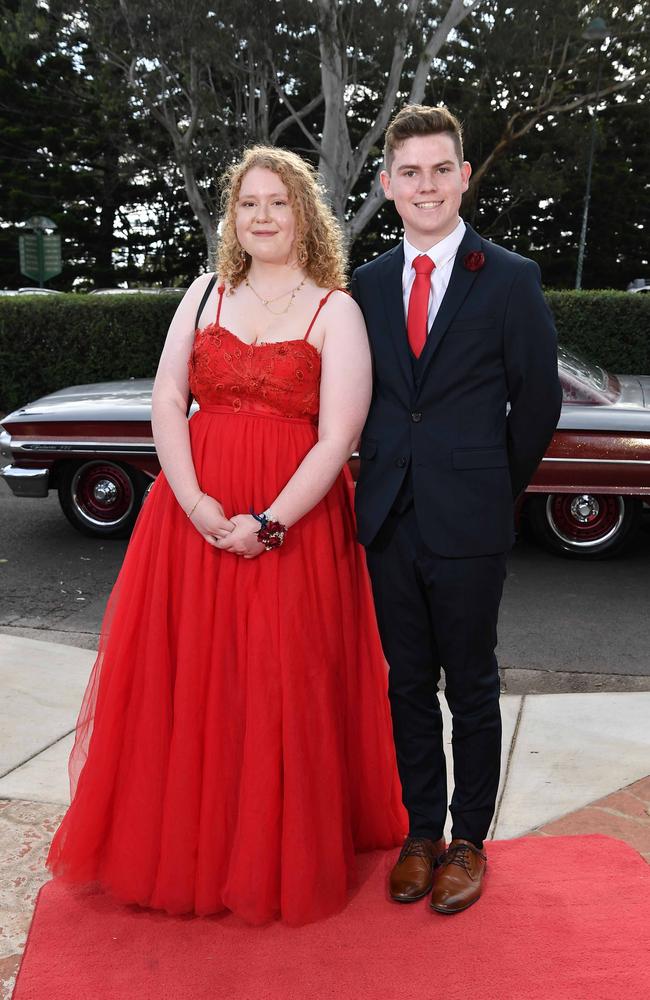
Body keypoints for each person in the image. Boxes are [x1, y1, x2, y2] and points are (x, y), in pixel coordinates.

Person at [47, 145, 406, 926]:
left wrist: (270, 523)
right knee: (190, 679)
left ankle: (270, 851)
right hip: (189, 524)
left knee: (276, 684)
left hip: (294, 528)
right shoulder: (206, 292)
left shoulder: (333, 309)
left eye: (278, 202)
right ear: (232, 217)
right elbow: (168, 398)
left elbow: (337, 436)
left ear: (304, 214)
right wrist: (194, 502)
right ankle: (188, 848)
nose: (263, 216)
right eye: (249, 204)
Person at [351, 105, 562, 914]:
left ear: (465, 175)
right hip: (389, 519)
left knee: (470, 684)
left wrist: (486, 488)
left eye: (441, 169)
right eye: (410, 172)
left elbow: (536, 404)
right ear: (388, 183)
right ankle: (421, 833)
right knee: (406, 683)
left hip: (469, 521)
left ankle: (469, 842)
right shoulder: (366, 285)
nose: (426, 185)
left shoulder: (509, 277)